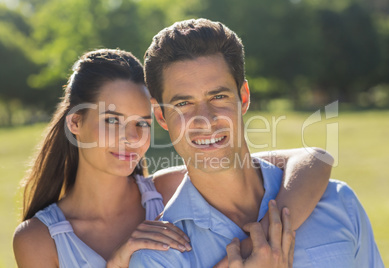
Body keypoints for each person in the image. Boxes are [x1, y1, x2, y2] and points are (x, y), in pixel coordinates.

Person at [13, 48, 329, 268]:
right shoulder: (38, 240)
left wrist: (259, 242)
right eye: (112, 120)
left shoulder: (171, 189)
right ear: (75, 123)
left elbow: (314, 160)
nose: (132, 137)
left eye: (143, 122)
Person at [129, 18, 384, 267]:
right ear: (161, 115)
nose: (205, 120)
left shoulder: (338, 202)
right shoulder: (157, 258)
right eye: (183, 104)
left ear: (244, 96)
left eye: (218, 96)